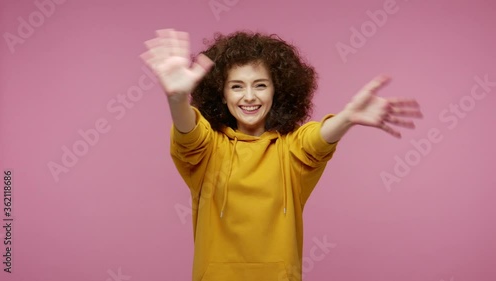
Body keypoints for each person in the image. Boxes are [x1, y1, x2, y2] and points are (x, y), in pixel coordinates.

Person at [140, 28, 422, 281]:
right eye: (237, 86)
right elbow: (189, 134)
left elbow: (317, 141)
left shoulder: (291, 148)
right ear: (222, 94)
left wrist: (347, 117)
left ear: (277, 91)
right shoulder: (209, 148)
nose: (249, 96)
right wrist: (176, 99)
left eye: (260, 85)